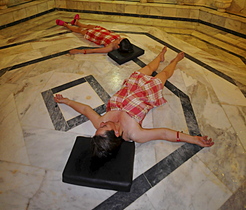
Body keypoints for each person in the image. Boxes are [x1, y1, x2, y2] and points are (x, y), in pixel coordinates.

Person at [54, 47, 214, 159]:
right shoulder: (135, 134)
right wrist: (193, 139)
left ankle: (160, 57)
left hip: (129, 88)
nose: (101, 124)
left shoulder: (101, 124)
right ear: (116, 133)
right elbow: (164, 134)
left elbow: (85, 109)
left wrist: (66, 101)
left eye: (99, 128)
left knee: (149, 67)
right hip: (147, 93)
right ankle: (175, 60)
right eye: (104, 127)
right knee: (164, 74)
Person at [56, 14, 132, 55]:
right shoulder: (122, 42)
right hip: (102, 31)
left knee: (79, 30)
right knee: (88, 25)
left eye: (118, 40)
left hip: (94, 35)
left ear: (118, 46)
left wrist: (79, 51)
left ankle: (66, 25)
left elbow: (95, 50)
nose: (119, 38)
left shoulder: (110, 48)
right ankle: (77, 22)